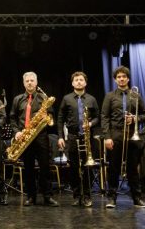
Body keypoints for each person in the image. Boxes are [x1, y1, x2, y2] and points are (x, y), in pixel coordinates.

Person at [100, 65, 145, 209]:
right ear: (115, 80)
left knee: (133, 168)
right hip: (115, 134)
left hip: (131, 135)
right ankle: (112, 198)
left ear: (128, 78)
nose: (121, 79)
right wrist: (107, 137)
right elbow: (104, 117)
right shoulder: (109, 96)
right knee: (113, 168)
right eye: (118, 77)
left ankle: (137, 198)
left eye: (124, 77)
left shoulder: (135, 95)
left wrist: (135, 119)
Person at [9, 71, 59, 206]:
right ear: (24, 83)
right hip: (24, 137)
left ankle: (47, 196)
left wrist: (46, 116)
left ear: (36, 82)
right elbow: (12, 118)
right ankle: (31, 196)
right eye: (27, 81)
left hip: (41, 136)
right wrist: (16, 132)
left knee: (45, 167)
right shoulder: (17, 99)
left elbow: (52, 117)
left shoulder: (44, 98)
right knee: (28, 168)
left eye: (32, 80)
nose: (30, 82)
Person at [56, 71, 100, 207]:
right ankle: (76, 195)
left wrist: (91, 123)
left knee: (87, 168)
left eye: (81, 80)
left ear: (85, 82)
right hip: (72, 136)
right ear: (72, 83)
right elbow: (60, 118)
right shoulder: (66, 98)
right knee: (74, 168)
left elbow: (99, 117)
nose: (79, 82)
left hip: (87, 137)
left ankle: (87, 196)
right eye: (76, 80)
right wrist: (60, 137)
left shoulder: (91, 99)